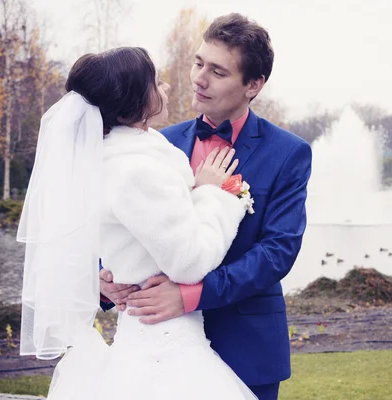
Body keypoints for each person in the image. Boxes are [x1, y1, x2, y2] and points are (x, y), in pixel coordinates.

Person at [17, 46, 257, 399]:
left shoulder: (105, 157)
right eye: (156, 81)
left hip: (141, 334)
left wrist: (100, 277)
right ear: (135, 99)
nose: (168, 87)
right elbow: (189, 262)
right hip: (165, 347)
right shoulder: (137, 169)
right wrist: (214, 195)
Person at [100, 13, 312, 400]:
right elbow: (120, 221)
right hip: (159, 352)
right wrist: (105, 279)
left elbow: (278, 251)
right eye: (198, 63)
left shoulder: (288, 153)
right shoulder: (156, 141)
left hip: (247, 348)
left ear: (254, 84)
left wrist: (190, 294)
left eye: (217, 71)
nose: (199, 78)